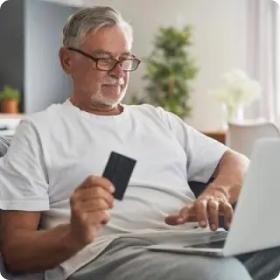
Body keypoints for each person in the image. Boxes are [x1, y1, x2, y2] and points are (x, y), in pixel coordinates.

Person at [0, 6, 279, 280]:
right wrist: (73, 234)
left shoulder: (158, 119)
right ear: (67, 60)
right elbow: (15, 253)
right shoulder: (38, 131)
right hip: (113, 252)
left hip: (198, 242)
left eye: (125, 60)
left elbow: (237, 161)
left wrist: (216, 192)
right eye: (104, 59)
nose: (119, 72)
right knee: (221, 274)